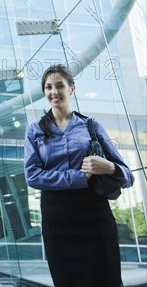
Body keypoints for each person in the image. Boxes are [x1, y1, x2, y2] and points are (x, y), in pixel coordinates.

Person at [24, 64, 134, 287]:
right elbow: (32, 175)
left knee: (108, 279)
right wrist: (79, 177)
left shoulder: (91, 126)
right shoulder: (34, 130)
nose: (54, 92)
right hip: (57, 218)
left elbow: (127, 176)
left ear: (72, 89)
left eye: (59, 86)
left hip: (95, 214)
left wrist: (108, 167)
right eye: (48, 87)